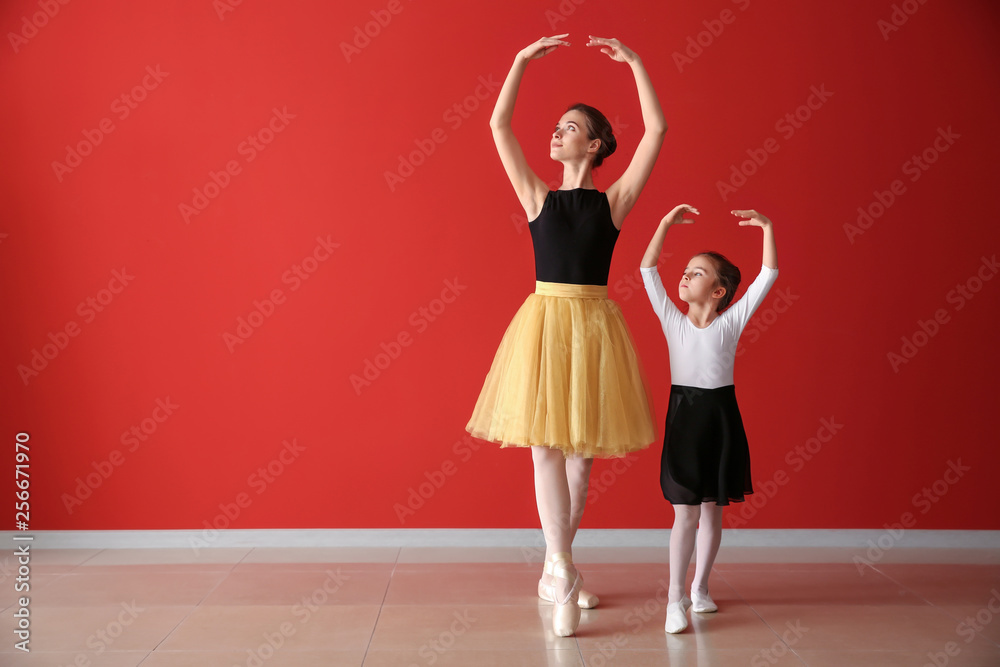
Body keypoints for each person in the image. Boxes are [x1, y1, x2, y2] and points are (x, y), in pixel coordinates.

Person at [466, 33, 666, 637]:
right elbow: (500, 126)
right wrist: (519, 61)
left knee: (580, 463)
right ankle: (559, 569)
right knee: (545, 449)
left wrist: (636, 63)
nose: (557, 133)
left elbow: (656, 132)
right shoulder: (537, 198)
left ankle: (563, 566)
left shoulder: (614, 202)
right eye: (555, 126)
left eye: (570, 126)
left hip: (593, 327)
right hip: (546, 324)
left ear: (597, 143)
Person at [639, 205, 779, 633]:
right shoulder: (672, 321)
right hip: (684, 420)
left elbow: (767, 276)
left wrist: (767, 228)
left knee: (712, 513)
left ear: (719, 292)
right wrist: (662, 225)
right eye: (685, 270)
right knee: (685, 514)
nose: (684, 276)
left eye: (697, 273)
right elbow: (647, 270)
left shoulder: (731, 322)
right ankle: (674, 599)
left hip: (721, 420)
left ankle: (700, 588)